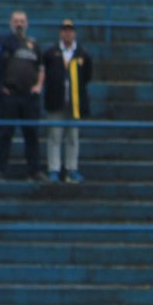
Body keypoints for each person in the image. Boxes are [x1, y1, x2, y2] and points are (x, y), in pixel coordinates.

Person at [0, 10, 45, 181]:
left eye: (22, 21)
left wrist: (38, 86)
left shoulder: (34, 45)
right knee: (5, 134)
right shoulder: (3, 43)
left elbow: (41, 69)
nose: (19, 24)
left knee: (32, 135)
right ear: (10, 23)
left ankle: (34, 171)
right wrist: (0, 87)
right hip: (10, 95)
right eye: (16, 21)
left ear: (27, 23)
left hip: (29, 96)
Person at [42, 20, 93, 183]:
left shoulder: (82, 53)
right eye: (65, 30)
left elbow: (87, 77)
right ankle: (54, 169)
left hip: (74, 103)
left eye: (70, 30)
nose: (67, 33)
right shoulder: (51, 53)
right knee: (54, 136)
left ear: (75, 33)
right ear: (60, 33)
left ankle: (72, 169)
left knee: (72, 137)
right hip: (55, 101)